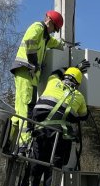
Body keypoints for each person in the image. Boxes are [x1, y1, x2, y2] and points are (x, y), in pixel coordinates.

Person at [18, 65, 89, 186]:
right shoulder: (79, 96)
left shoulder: (52, 82)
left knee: (34, 168)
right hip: (59, 138)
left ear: (65, 77)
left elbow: (54, 72)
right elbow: (84, 115)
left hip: (41, 133)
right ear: (78, 83)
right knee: (53, 173)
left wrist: (73, 66)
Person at [10, 10, 65, 147]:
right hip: (26, 72)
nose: (54, 32)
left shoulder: (45, 37)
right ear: (50, 22)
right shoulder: (38, 27)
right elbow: (30, 42)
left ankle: (6, 141)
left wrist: (65, 45)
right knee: (27, 108)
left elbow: (56, 43)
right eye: (55, 29)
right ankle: (24, 143)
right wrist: (34, 63)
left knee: (19, 111)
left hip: (28, 76)